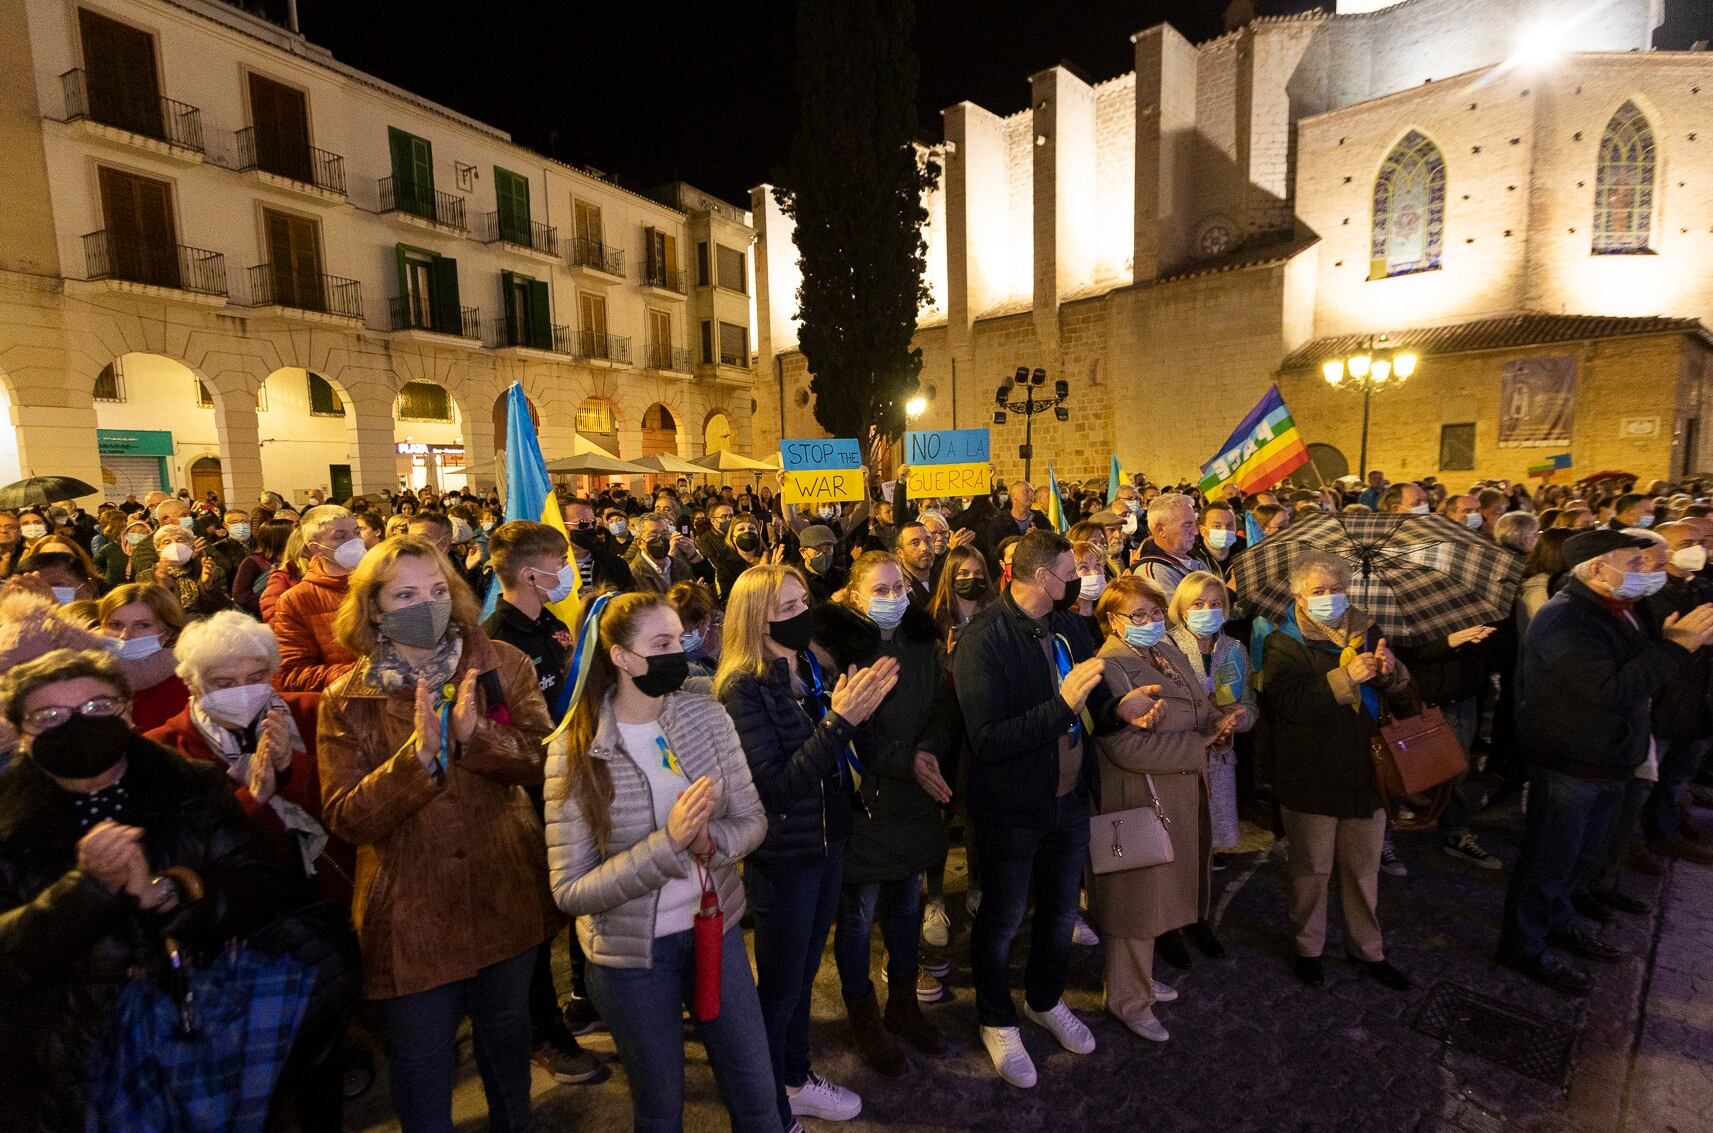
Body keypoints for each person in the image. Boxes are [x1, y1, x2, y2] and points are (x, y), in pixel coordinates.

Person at [316, 536, 559, 1130]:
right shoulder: (347, 698)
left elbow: (544, 760)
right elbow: (346, 815)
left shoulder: (502, 663)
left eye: (436, 591)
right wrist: (417, 761)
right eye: (404, 594)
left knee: (506, 1046)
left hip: (504, 889)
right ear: (373, 608)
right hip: (410, 912)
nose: (426, 605)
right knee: (422, 1066)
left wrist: (477, 740)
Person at [0, 648, 282, 1131]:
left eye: (96, 708)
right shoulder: (8, 820)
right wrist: (88, 889)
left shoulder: (190, 784)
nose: (77, 725)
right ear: (22, 736)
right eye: (50, 716)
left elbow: (260, 883)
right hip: (63, 1059)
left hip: (201, 1031)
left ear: (127, 713)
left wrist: (169, 894)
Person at [544, 590, 776, 1132]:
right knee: (660, 1104)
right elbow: (571, 890)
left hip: (714, 933)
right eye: (663, 643)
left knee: (755, 1088)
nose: (681, 651)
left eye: (681, 638)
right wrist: (666, 844)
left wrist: (710, 841)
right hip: (632, 958)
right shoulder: (574, 750)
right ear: (622, 657)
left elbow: (753, 821)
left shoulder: (708, 718)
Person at [951, 529, 1164, 1088]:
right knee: (1002, 919)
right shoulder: (984, 638)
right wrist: (1059, 707)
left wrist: (1120, 707)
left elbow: (1090, 696)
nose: (1078, 581)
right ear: (1043, 578)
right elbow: (988, 738)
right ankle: (995, 1018)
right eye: (1070, 572)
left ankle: (1045, 1000)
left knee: (1060, 912)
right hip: (1010, 810)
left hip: (1069, 802)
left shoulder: (1068, 625)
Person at [715, 562, 899, 1125]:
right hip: (786, 857)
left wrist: (855, 715)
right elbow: (775, 787)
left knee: (799, 979)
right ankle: (769, 1107)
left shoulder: (804, 669)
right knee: (781, 988)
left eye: (804, 603)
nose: (803, 616)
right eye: (787, 610)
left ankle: (793, 1077)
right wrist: (840, 723)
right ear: (754, 620)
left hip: (826, 843)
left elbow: (833, 758)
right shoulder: (743, 689)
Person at [1499, 529, 1713, 996]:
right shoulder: (1566, 620)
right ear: (1596, 568)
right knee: (1550, 859)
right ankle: (1524, 947)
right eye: (1634, 565)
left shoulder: (1615, 610)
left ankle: (1558, 922)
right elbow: (1606, 692)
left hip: (1605, 758)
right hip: (1571, 761)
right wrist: (1677, 647)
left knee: (1580, 855)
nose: (1645, 573)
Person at [817, 553, 956, 1076]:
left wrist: (930, 751)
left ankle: (904, 1005)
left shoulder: (921, 641)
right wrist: (907, 762)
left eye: (899, 586)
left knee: (905, 911)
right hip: (866, 805)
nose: (894, 596)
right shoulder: (839, 651)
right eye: (880, 588)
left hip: (914, 802)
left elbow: (944, 705)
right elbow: (850, 728)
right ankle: (864, 1016)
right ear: (854, 597)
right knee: (855, 922)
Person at [1260, 551, 1415, 992]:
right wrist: (1345, 676)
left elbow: (1402, 694)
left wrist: (1390, 673)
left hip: (1365, 771)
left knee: (1364, 868)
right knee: (1312, 867)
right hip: (1310, 771)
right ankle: (1308, 947)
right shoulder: (1282, 641)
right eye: (1319, 591)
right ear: (1299, 596)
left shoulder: (1368, 630)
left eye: (1336, 589)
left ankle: (1368, 949)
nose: (1330, 598)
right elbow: (1287, 704)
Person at [142, 610, 352, 904]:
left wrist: (291, 769)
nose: (243, 692)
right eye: (224, 684)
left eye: (256, 678)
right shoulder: (163, 748)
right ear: (191, 683)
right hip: (242, 910)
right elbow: (188, 852)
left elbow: (354, 810)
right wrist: (253, 798)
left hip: (333, 894)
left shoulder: (315, 712)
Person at [1090, 575, 1221, 1042]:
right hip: (1137, 795)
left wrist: (1220, 721)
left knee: (1160, 894)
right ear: (1111, 622)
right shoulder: (1108, 666)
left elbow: (1199, 704)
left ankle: (1138, 981)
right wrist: (1198, 745)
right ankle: (1127, 998)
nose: (1148, 623)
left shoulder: (1164, 652)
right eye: (1137, 616)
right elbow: (1123, 746)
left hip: (1175, 793)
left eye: (1154, 614)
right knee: (1136, 902)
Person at [1166, 568, 1257, 916]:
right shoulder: (1167, 645)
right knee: (1177, 844)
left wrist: (1238, 719)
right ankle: (1174, 917)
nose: (1208, 610)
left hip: (1219, 762)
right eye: (1199, 603)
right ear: (1183, 608)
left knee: (1205, 849)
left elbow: (1250, 705)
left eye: (1216, 603)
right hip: (1180, 760)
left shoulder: (1234, 648)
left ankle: (1199, 916)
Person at [1639, 522, 1713, 865]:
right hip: (1665, 698)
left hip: (1698, 697)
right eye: (1687, 543)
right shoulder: (1650, 594)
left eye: (1701, 542)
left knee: (1678, 774)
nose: (1697, 549)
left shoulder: (1702, 587)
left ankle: (1666, 829)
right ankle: (1639, 839)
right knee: (1647, 779)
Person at [272, 505, 365, 692]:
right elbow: (293, 675)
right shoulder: (296, 600)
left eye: (356, 532)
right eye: (340, 536)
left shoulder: (384, 581)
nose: (354, 541)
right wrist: (361, 673)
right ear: (316, 549)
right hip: (346, 704)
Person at [96, 583, 191, 732]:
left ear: (168, 633)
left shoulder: (183, 685)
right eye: (115, 625)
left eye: (143, 625)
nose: (125, 635)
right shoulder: (87, 678)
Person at [1133, 493, 1212, 596]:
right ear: (1161, 529)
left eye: (1194, 523)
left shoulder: (1197, 561)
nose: (1195, 531)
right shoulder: (1153, 572)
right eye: (1187, 525)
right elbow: (1172, 612)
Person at [148, 522, 230, 618]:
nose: (175, 546)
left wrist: (206, 585)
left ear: (191, 547)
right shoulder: (148, 575)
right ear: (158, 551)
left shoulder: (211, 571)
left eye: (180, 540)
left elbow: (220, 609)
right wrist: (163, 586)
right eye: (166, 542)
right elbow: (153, 613)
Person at [563, 498, 635, 594]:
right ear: (562, 526)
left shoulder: (614, 564)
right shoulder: (549, 568)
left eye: (593, 523)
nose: (590, 528)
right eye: (582, 524)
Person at [629, 512, 709, 594]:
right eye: (653, 534)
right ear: (639, 542)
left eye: (664, 533)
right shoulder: (634, 574)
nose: (660, 538)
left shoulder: (679, 565)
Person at [979, 481, 1050, 573]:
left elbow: (1050, 548)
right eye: (1026, 492)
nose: (1031, 494)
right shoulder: (999, 522)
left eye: (1032, 491)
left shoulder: (1041, 520)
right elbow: (993, 552)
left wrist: (1038, 537)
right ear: (1013, 497)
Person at [233, 517, 293, 618]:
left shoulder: (296, 559)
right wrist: (274, 605)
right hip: (261, 619)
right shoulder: (252, 562)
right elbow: (240, 596)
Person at [797, 524, 849, 605]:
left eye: (828, 549)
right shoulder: (797, 582)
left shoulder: (842, 576)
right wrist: (832, 603)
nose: (824, 554)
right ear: (803, 552)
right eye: (818, 550)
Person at [894, 521, 937, 609]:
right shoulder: (896, 590)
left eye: (928, 541)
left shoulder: (944, 578)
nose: (924, 548)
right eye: (915, 543)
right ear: (900, 552)